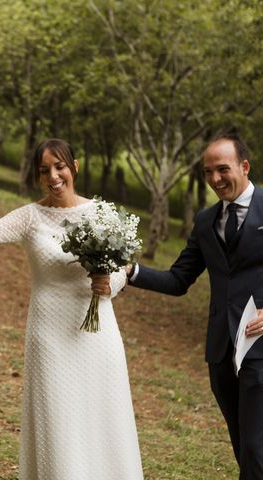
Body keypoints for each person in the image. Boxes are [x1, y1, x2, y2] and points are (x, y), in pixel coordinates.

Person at [0, 138, 143, 479]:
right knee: (58, 416)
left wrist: (110, 286)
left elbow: (121, 268)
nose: (53, 176)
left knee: (102, 414)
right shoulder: (30, 216)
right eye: (44, 170)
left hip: (97, 333)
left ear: (74, 167)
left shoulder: (102, 214)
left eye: (59, 166)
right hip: (49, 335)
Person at [126, 133, 263, 479]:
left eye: (223, 169)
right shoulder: (205, 222)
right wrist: (129, 272)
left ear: (244, 167)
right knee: (242, 444)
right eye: (207, 172)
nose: (215, 179)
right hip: (220, 353)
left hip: (260, 348)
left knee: (256, 447)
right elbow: (178, 280)